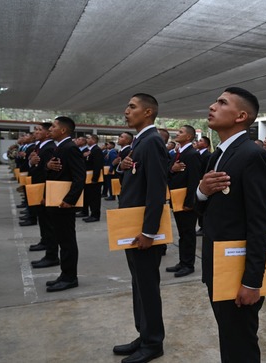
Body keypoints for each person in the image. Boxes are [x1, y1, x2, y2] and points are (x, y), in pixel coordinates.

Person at [195, 87, 266, 362]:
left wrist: (252, 281)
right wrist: (201, 191)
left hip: (238, 270)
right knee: (229, 337)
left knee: (240, 343)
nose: (213, 106)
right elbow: (208, 208)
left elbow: (260, 222)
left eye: (222, 102)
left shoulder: (251, 154)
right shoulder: (218, 154)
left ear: (241, 116)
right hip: (219, 265)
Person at [113, 93, 169, 363]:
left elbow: (157, 190)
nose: (126, 111)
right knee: (139, 284)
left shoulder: (153, 141)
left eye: (132, 107)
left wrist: (149, 231)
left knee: (147, 286)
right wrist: (125, 167)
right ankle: (144, 334)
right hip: (130, 226)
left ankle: (153, 342)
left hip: (142, 230)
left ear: (148, 112)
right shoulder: (140, 142)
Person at [44, 116, 86, 292]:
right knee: (62, 239)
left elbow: (80, 177)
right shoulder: (59, 147)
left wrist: (70, 200)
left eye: (53, 126)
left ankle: (70, 277)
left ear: (63, 130)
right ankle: (64, 274)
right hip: (56, 200)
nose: (50, 129)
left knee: (67, 240)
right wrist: (47, 166)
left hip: (64, 202)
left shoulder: (70, 148)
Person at [164, 125, 201, 278]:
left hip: (186, 200)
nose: (176, 134)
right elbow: (168, 171)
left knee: (188, 233)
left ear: (189, 137)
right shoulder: (177, 153)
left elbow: (194, 180)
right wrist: (172, 169)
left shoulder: (192, 154)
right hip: (176, 198)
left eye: (180, 132)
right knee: (182, 233)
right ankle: (182, 261)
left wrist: (189, 202)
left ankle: (188, 264)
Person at [27, 123, 57, 256]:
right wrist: (31, 162)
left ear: (47, 133)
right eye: (36, 130)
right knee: (42, 218)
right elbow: (36, 166)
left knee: (48, 221)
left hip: (45, 187)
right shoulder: (39, 147)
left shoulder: (49, 148)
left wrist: (47, 194)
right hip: (39, 186)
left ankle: (50, 249)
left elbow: (48, 173)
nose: (36, 132)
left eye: (39, 130)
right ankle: (44, 240)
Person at [81, 134, 103, 222]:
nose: (87, 139)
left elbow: (97, 165)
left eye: (89, 138)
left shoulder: (96, 150)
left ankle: (95, 215)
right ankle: (85, 212)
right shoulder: (90, 150)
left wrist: (95, 179)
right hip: (87, 177)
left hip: (93, 178)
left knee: (94, 198)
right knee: (88, 196)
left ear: (94, 140)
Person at [195, 135, 211, 236]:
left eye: (200, 141)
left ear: (205, 144)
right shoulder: (196, 154)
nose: (198, 142)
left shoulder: (208, 155)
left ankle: (203, 226)